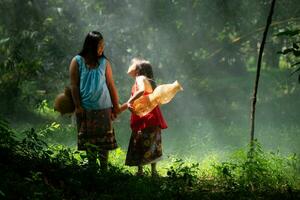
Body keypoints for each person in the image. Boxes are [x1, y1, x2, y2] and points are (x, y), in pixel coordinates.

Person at [69, 31, 120, 171]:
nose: (102, 49)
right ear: (90, 46)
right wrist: (78, 106)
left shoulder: (105, 63)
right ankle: (92, 169)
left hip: (104, 108)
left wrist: (116, 108)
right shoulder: (77, 61)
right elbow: (74, 85)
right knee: (89, 141)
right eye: (99, 46)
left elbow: (111, 85)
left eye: (103, 46)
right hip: (85, 108)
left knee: (104, 144)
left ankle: (104, 169)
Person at [120, 58, 168, 177]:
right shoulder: (151, 81)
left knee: (139, 143)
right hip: (153, 118)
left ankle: (140, 172)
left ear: (138, 70)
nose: (131, 66)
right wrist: (119, 110)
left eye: (134, 65)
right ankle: (153, 172)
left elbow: (141, 91)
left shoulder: (140, 78)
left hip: (145, 119)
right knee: (153, 143)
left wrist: (130, 101)